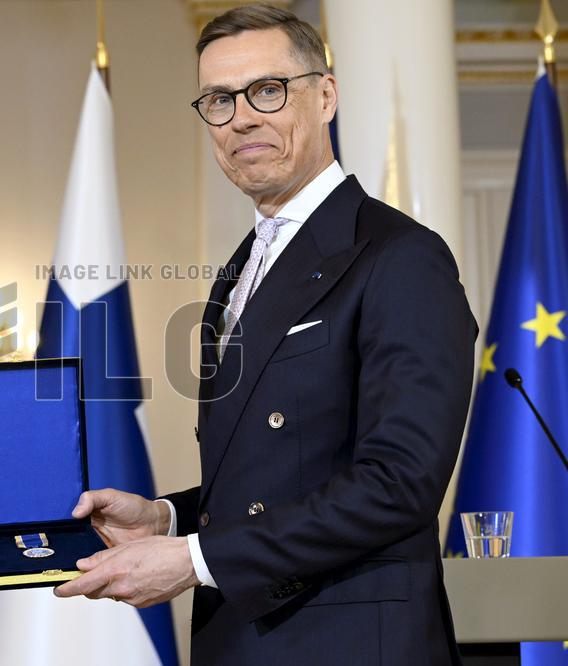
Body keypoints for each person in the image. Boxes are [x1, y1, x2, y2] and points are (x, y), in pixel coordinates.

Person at [54, 5, 476, 664]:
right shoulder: (238, 269)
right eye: (219, 99)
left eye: (268, 90)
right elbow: (277, 479)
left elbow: (399, 481)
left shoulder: (400, 256)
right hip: (245, 638)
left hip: (348, 644)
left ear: (326, 94)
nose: (242, 117)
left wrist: (194, 559)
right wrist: (166, 518)